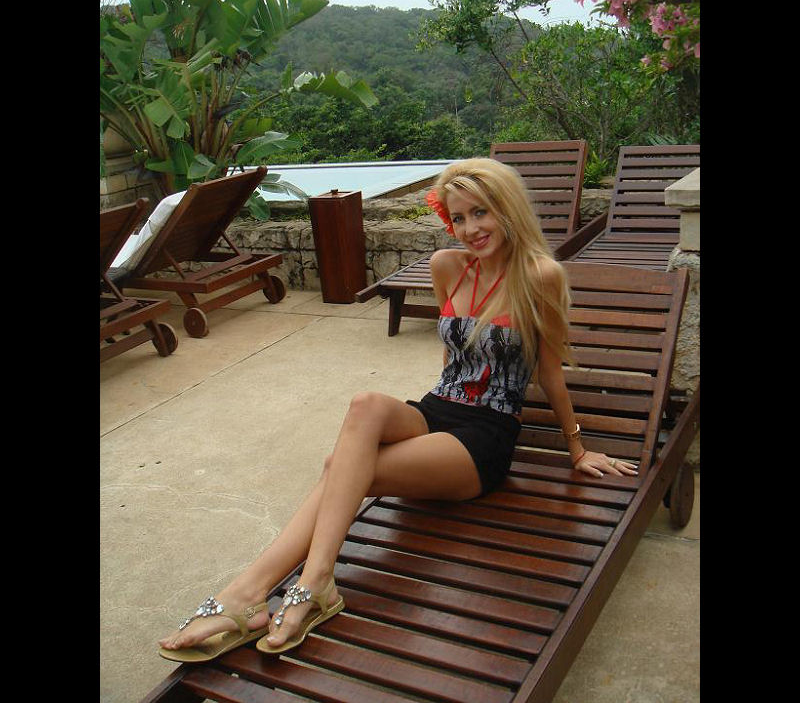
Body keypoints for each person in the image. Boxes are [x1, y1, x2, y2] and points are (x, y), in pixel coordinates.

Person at [157, 157, 638, 662]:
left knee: (339, 467)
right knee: (365, 404)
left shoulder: (540, 276)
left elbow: (550, 372)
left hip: (486, 435)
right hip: (435, 410)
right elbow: (452, 357)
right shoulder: (446, 266)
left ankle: (262, 591)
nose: (470, 229)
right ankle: (296, 587)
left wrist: (577, 447)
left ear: (507, 209)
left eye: (481, 212)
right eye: (458, 218)